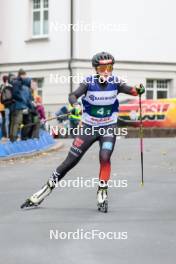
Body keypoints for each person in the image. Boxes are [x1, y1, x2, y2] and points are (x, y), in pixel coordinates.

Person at [21, 52, 145, 212]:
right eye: (102, 68)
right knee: (70, 162)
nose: (106, 71)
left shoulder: (116, 82)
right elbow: (73, 95)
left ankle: (102, 192)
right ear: (96, 69)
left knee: (105, 156)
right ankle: (43, 192)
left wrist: (139, 89)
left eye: (110, 67)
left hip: (108, 127)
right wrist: (76, 105)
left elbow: (132, 90)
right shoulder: (88, 83)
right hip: (89, 128)